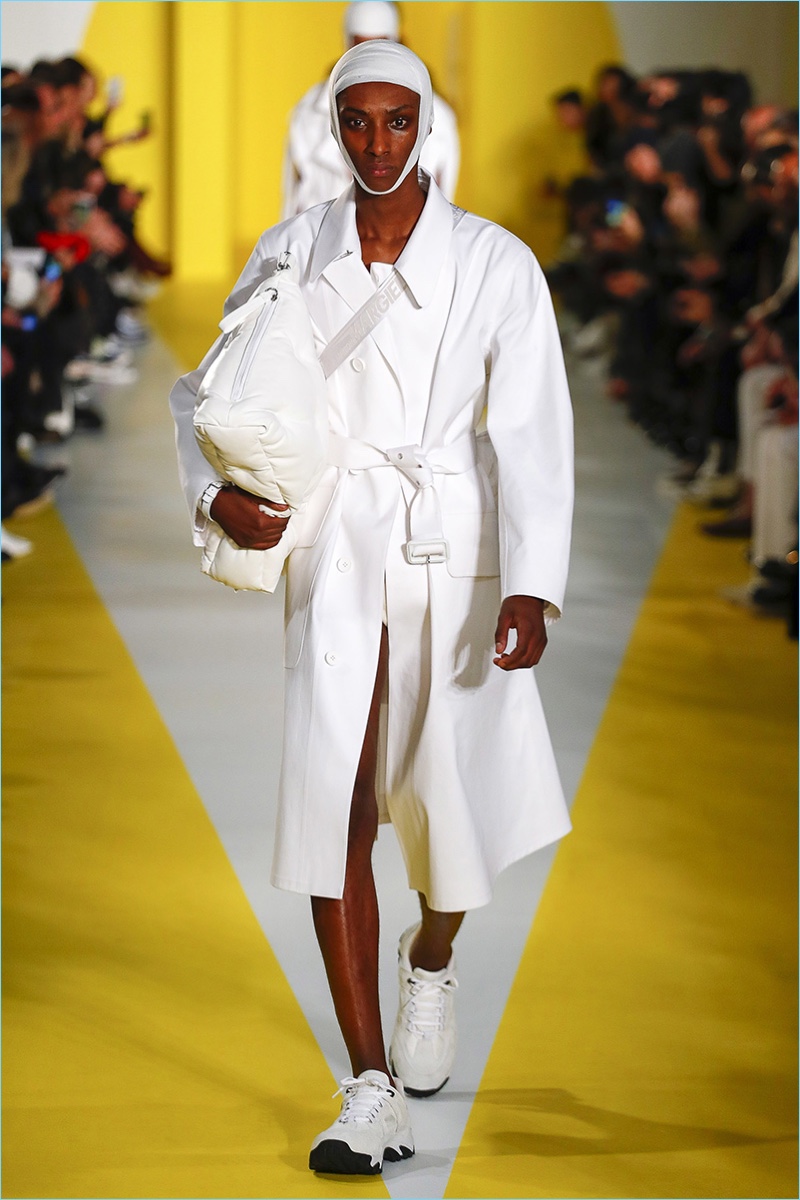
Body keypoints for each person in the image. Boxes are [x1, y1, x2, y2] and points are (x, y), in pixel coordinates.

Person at [170, 40, 573, 1176]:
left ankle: (430, 958)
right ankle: (367, 1084)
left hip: (452, 545)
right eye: (359, 121)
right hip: (336, 543)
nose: (378, 142)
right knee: (333, 796)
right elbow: (208, 392)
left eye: (398, 121)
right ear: (333, 127)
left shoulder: (494, 262)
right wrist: (211, 493)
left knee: (451, 805)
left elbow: (532, 424)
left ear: (425, 126)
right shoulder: (290, 249)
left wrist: (533, 580)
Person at [281, 0, 459, 218]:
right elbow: (291, 202)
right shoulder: (309, 113)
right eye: (360, 47)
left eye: (379, 45)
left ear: (396, 42)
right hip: (320, 236)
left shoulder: (438, 117)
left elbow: (442, 203)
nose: (370, 59)